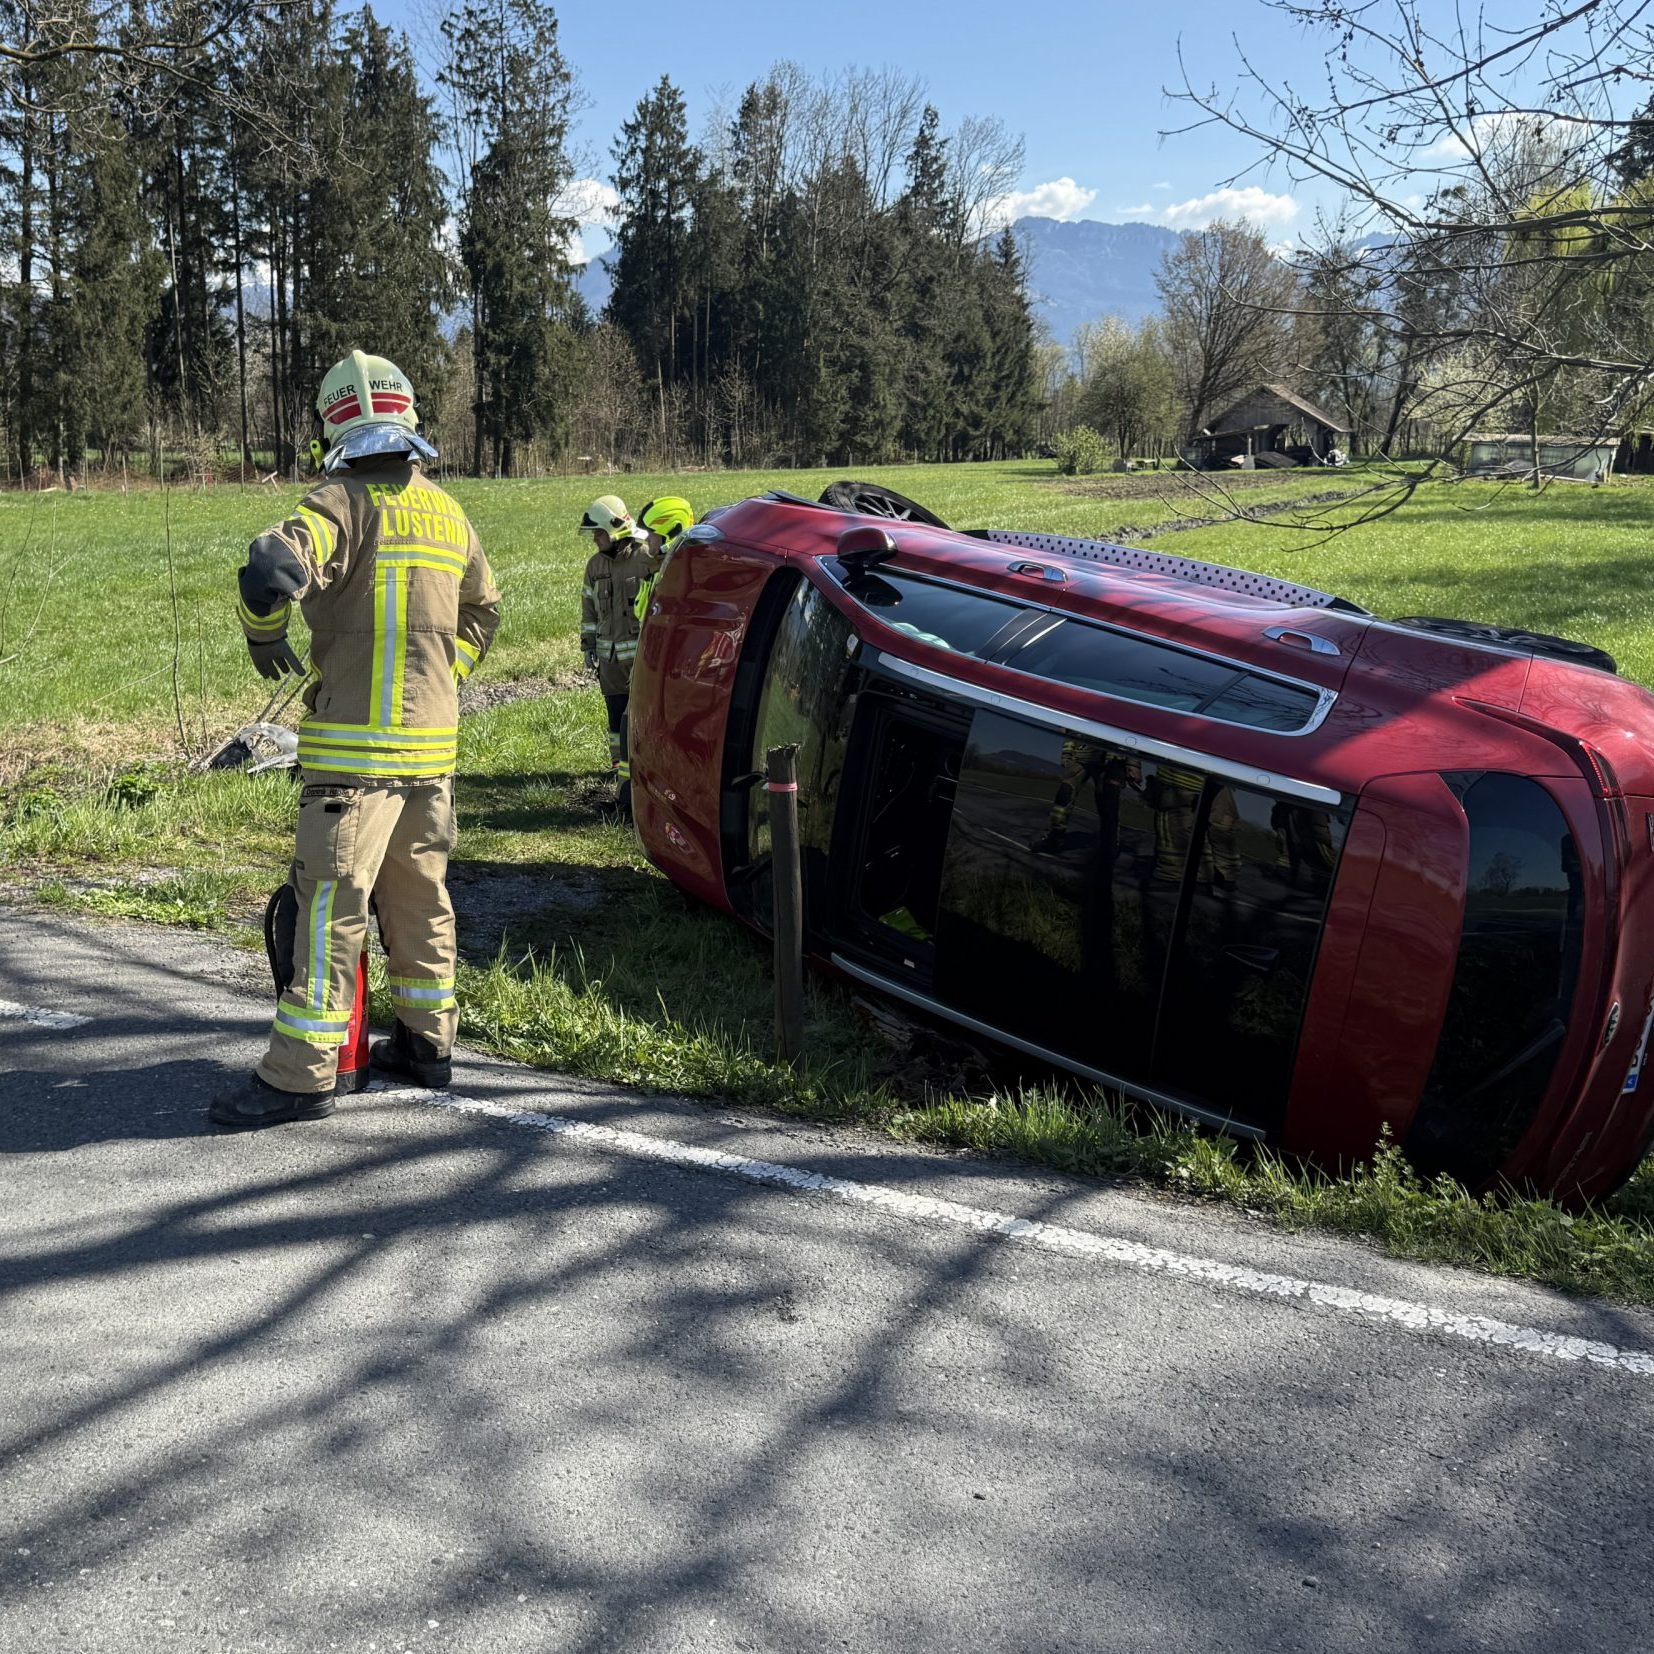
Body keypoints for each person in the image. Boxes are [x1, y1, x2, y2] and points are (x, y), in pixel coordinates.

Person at [209, 350, 501, 1130]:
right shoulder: (448, 512)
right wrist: (447, 676)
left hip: (352, 765)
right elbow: (484, 614)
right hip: (432, 756)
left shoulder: (337, 501)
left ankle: (301, 1076)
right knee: (421, 902)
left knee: (330, 910)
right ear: (407, 417)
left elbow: (270, 566)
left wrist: (263, 631)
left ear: (334, 422)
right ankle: (426, 1044)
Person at [578, 494, 657, 815]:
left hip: (640, 659)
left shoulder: (646, 560)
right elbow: (588, 609)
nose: (595, 540)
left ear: (616, 529)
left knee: (640, 715)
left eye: (598, 533)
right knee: (615, 715)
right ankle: (619, 764)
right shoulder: (594, 567)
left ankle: (643, 763)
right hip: (609, 662)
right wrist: (588, 646)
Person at [631, 496, 696, 626]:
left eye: (651, 534)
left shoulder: (679, 573)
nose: (647, 539)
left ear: (672, 532)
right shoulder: (657, 568)